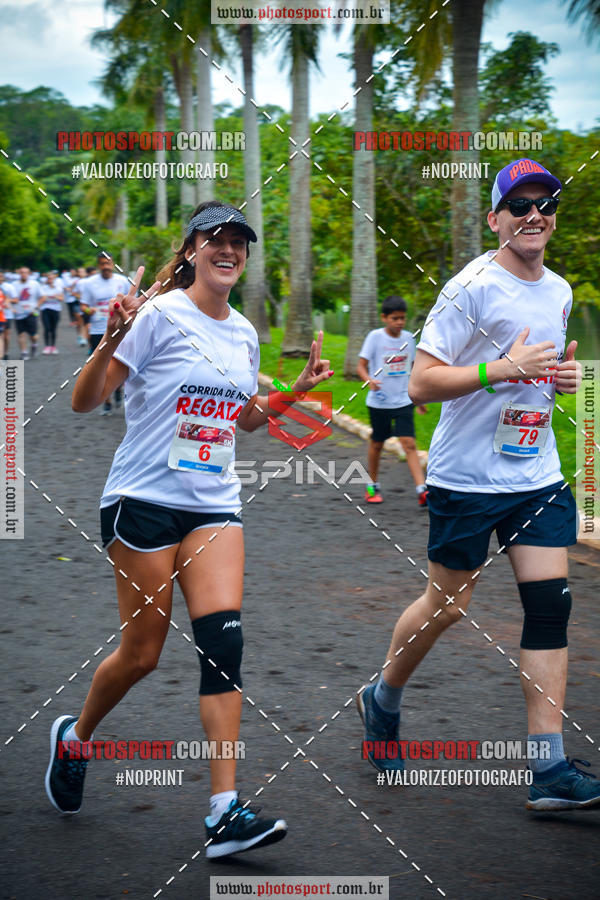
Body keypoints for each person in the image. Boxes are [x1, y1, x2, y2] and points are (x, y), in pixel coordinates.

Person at [45, 201, 333, 856]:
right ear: (193, 250)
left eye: (239, 242)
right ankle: (76, 737)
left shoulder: (244, 332)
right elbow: (84, 400)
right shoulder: (157, 316)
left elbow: (247, 420)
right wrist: (112, 339)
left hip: (212, 505)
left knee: (224, 642)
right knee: (142, 655)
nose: (228, 250)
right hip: (140, 501)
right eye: (216, 240)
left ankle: (222, 812)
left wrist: (295, 391)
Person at [357, 158, 600, 811]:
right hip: (466, 477)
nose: (533, 215)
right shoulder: (471, 288)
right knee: (447, 605)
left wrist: (558, 382)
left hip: (536, 474)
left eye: (544, 204)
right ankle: (382, 700)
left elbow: (537, 373)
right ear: (495, 219)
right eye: (518, 205)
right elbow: (421, 383)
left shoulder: (559, 291)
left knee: (552, 605)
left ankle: (547, 769)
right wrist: (502, 368)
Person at [357, 295, 428, 506]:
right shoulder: (375, 337)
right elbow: (360, 365)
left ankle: (421, 490)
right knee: (377, 444)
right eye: (395, 318)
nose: (399, 322)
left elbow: (414, 368)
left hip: (403, 400)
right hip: (379, 402)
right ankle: (372, 485)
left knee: (409, 444)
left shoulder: (408, 338)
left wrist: (420, 398)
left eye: (403, 318)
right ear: (384, 318)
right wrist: (368, 379)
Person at [79, 255, 129, 414]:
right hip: (98, 330)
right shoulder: (90, 284)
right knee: (100, 366)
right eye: (102, 264)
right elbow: (83, 306)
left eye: (108, 263)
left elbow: (129, 303)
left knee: (118, 363)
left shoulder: (122, 281)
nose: (105, 266)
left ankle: (117, 391)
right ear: (98, 265)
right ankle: (106, 402)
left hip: (119, 330)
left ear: (113, 264)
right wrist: (89, 310)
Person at [13, 267, 44, 359]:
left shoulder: (35, 284)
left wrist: (36, 307)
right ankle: (24, 352)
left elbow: (43, 297)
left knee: (33, 335)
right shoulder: (14, 285)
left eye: (26, 272)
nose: (24, 274)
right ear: (19, 273)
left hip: (31, 313)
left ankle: (34, 344)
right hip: (19, 313)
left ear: (29, 274)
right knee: (21, 334)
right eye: (22, 272)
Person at [37, 271, 64, 354]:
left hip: (56, 310)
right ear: (47, 279)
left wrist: (56, 297)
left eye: (52, 278)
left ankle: (53, 346)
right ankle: (47, 346)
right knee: (47, 328)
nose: (50, 280)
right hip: (45, 309)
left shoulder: (58, 288)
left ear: (54, 279)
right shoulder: (43, 287)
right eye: (49, 278)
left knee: (53, 329)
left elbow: (61, 299)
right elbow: (41, 298)